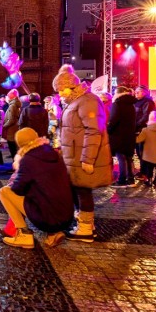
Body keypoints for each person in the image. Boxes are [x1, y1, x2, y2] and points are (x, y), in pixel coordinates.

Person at [53, 65, 112, 243]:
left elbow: (93, 131)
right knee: (78, 190)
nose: (60, 94)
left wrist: (88, 158)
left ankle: (85, 229)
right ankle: (84, 224)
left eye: (61, 90)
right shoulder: (75, 101)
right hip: (73, 156)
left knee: (83, 191)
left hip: (83, 157)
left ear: (70, 86)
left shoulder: (87, 101)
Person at [0, 127, 74, 249]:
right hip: (67, 216)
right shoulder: (53, 153)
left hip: (48, 218)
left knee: (4, 191)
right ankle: (53, 233)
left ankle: (24, 235)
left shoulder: (28, 159)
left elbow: (18, 189)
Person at [108, 86, 137, 188]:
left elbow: (113, 120)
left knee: (121, 157)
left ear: (117, 93)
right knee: (128, 157)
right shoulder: (132, 104)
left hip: (119, 136)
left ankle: (121, 180)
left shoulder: (117, 104)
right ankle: (131, 179)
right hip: (129, 135)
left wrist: (109, 129)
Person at [134, 85, 156, 173]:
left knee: (142, 151)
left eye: (138, 92)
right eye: (135, 92)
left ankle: (145, 171)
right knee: (139, 152)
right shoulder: (137, 101)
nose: (136, 93)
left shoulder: (147, 102)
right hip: (137, 129)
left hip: (143, 129)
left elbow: (146, 116)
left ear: (144, 92)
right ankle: (143, 170)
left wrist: (136, 124)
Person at [2, 88, 21, 159]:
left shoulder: (12, 106)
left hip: (11, 129)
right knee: (14, 146)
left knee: (12, 146)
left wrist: (5, 125)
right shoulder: (15, 105)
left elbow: (11, 119)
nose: (7, 96)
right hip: (14, 128)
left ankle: (15, 164)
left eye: (8, 95)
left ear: (12, 96)